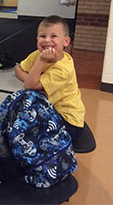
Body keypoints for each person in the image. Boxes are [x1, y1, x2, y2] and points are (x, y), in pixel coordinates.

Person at [15, 15, 85, 143]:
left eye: (54, 36)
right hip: (47, 109)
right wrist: (31, 79)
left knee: (24, 133)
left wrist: (41, 63)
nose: (47, 40)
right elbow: (19, 69)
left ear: (66, 41)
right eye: (42, 36)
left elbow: (29, 86)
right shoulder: (37, 54)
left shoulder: (63, 69)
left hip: (67, 120)